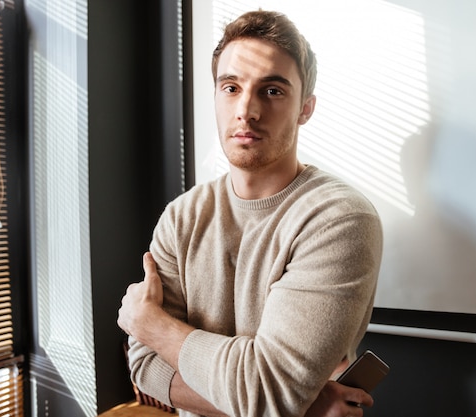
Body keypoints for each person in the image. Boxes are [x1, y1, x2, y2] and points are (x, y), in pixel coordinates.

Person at [117, 9, 383, 417]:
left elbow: (267, 391)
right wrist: (295, 409)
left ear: (305, 109)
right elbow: (145, 367)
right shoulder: (181, 217)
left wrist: (152, 324)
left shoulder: (339, 218)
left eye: (272, 91)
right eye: (230, 87)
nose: (247, 110)